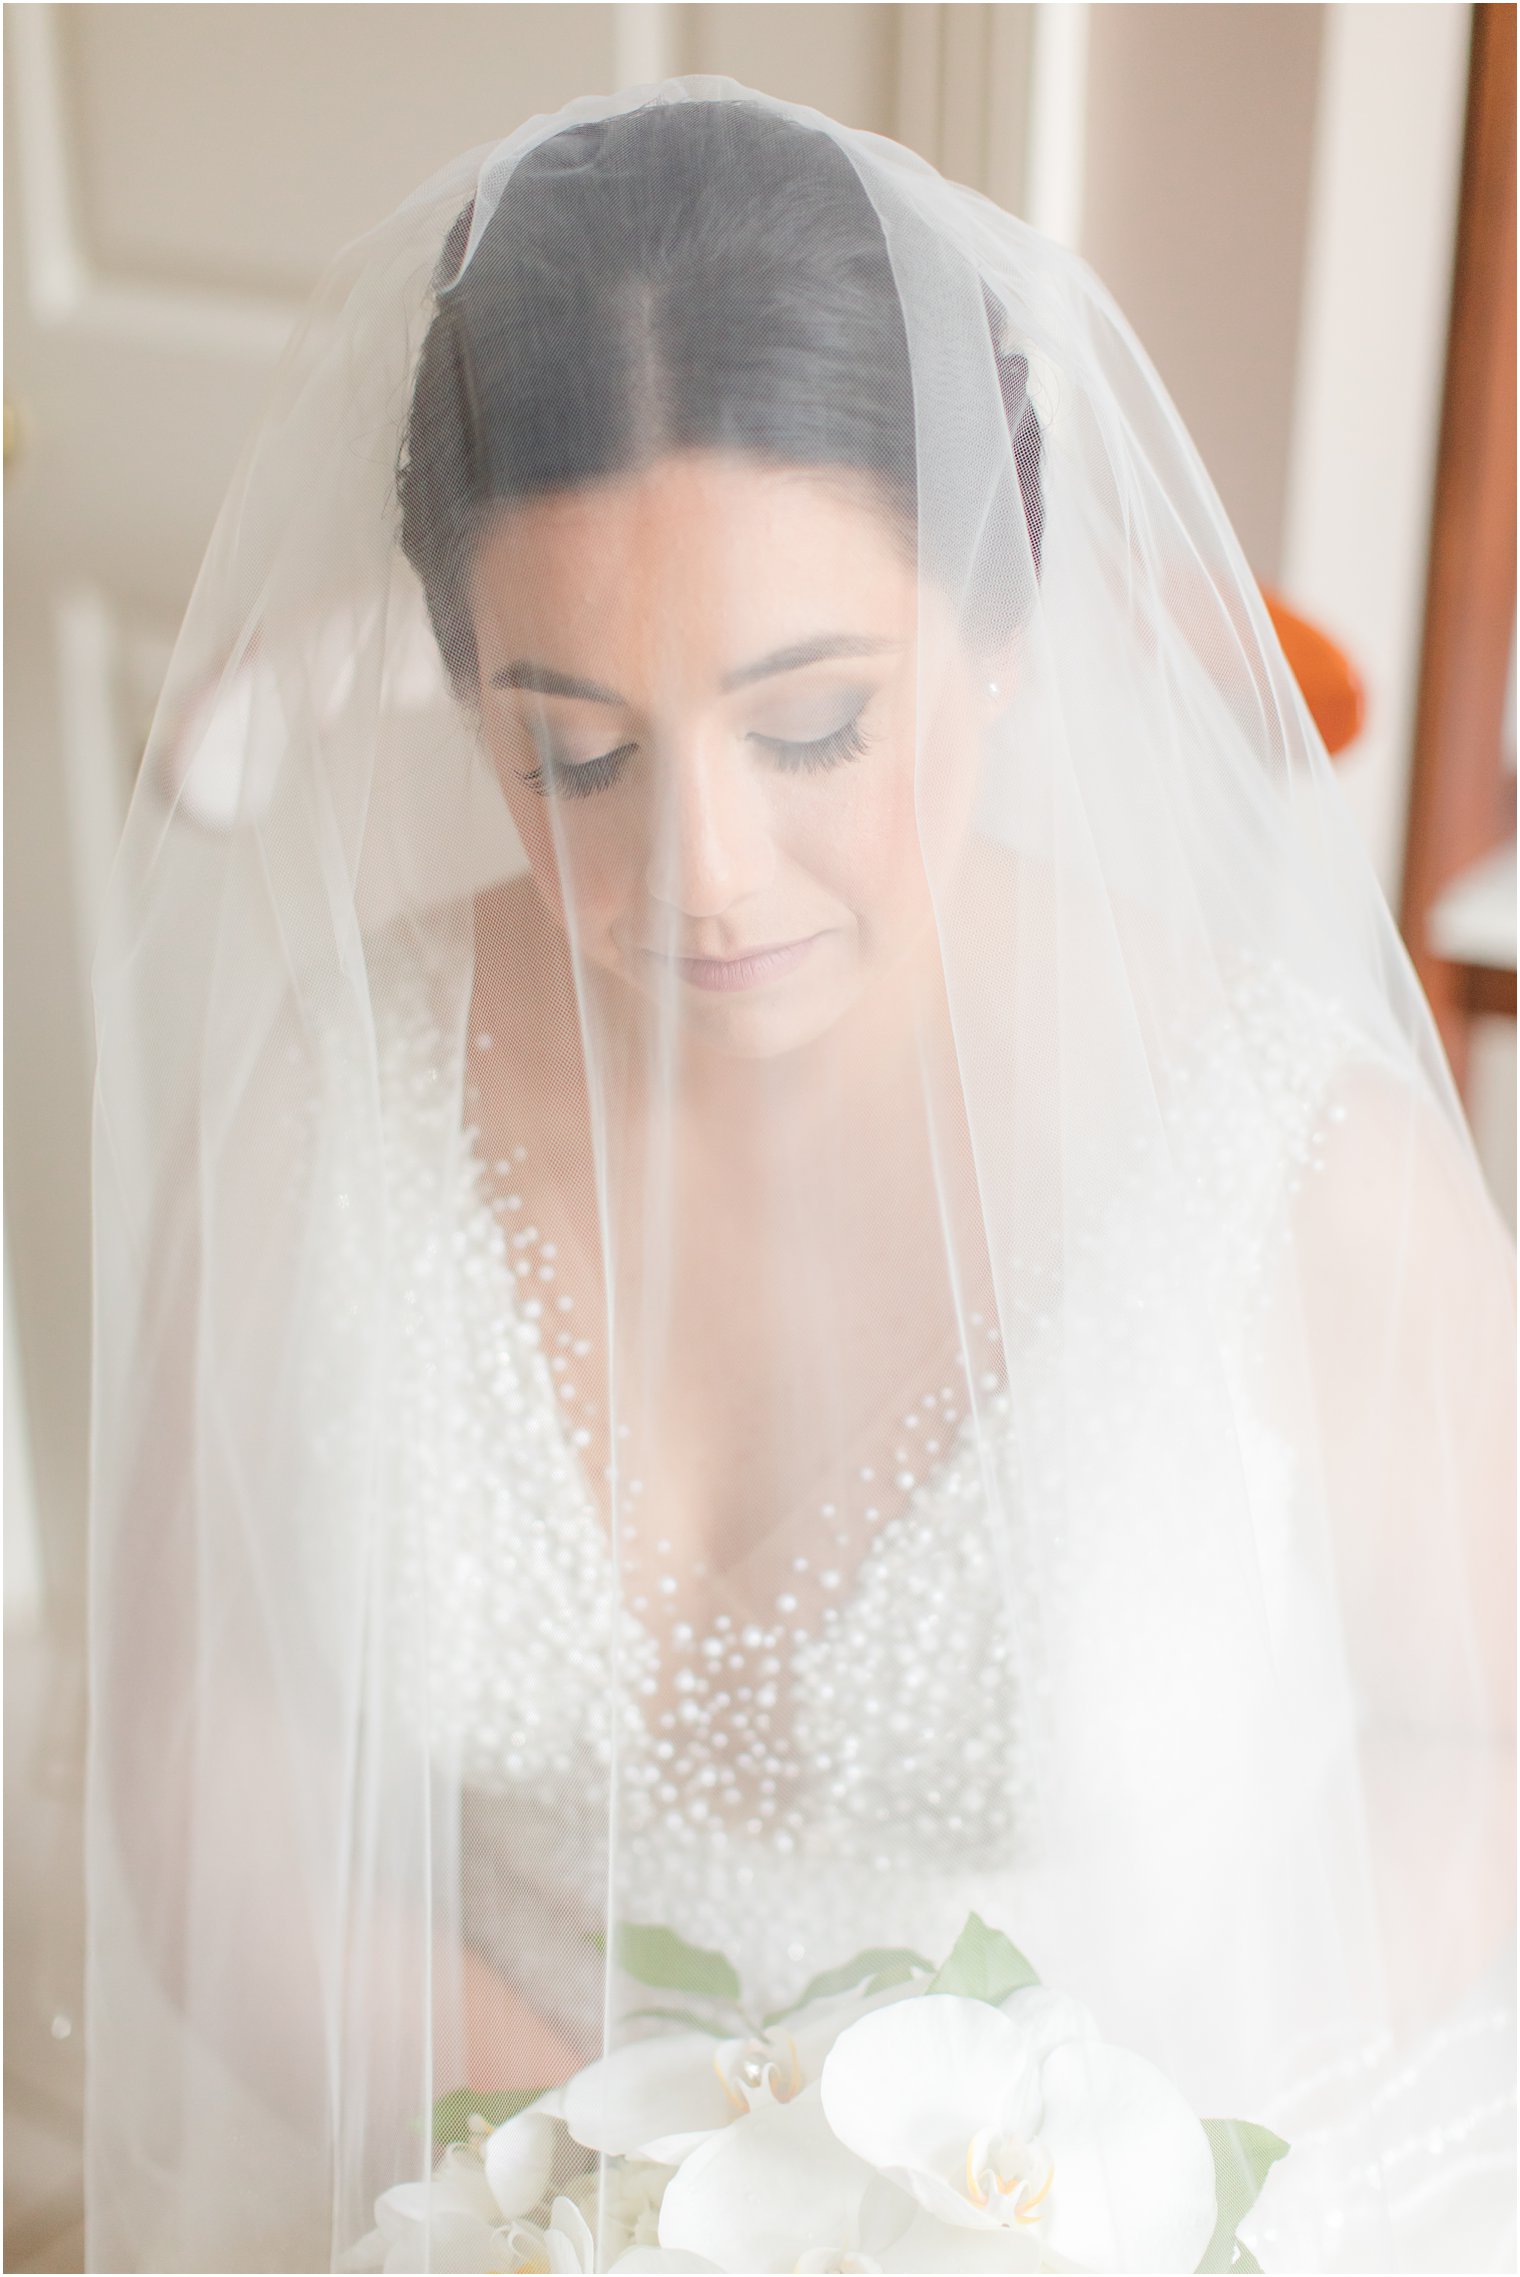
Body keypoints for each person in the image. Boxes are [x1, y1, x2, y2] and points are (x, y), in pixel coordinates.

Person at [85, 80, 1514, 2274]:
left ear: (1003, 632)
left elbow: (1480, 1748)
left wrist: (1072, 2177)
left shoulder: (1280, 1151)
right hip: (470, 2161)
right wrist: (584, 2182)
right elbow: (210, 1765)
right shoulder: (338, 1084)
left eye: (814, 723)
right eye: (574, 751)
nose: (702, 875)